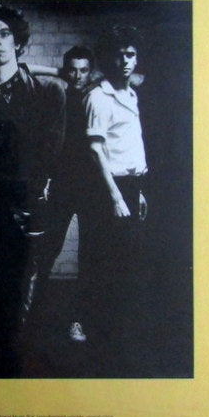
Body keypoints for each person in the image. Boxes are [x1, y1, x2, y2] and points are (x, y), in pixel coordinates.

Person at [0, 3, 66, 377]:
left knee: (31, 314)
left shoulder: (49, 93)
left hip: (37, 215)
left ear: (17, 41)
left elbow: (49, 159)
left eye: (4, 34)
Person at [83, 25, 148, 374]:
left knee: (127, 267)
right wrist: (116, 197)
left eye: (130, 54)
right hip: (109, 189)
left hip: (132, 186)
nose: (125, 61)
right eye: (119, 54)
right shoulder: (98, 96)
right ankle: (101, 347)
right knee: (107, 268)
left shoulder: (131, 94)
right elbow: (95, 150)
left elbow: (130, 145)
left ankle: (120, 343)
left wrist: (138, 192)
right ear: (107, 58)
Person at [38, 46, 96, 343]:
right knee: (46, 249)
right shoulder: (57, 95)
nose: (77, 76)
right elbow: (23, 69)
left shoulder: (98, 96)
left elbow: (139, 77)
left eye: (83, 70)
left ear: (91, 72)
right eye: (71, 69)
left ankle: (78, 320)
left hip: (92, 188)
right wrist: (58, 73)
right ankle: (33, 314)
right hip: (62, 184)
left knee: (90, 255)